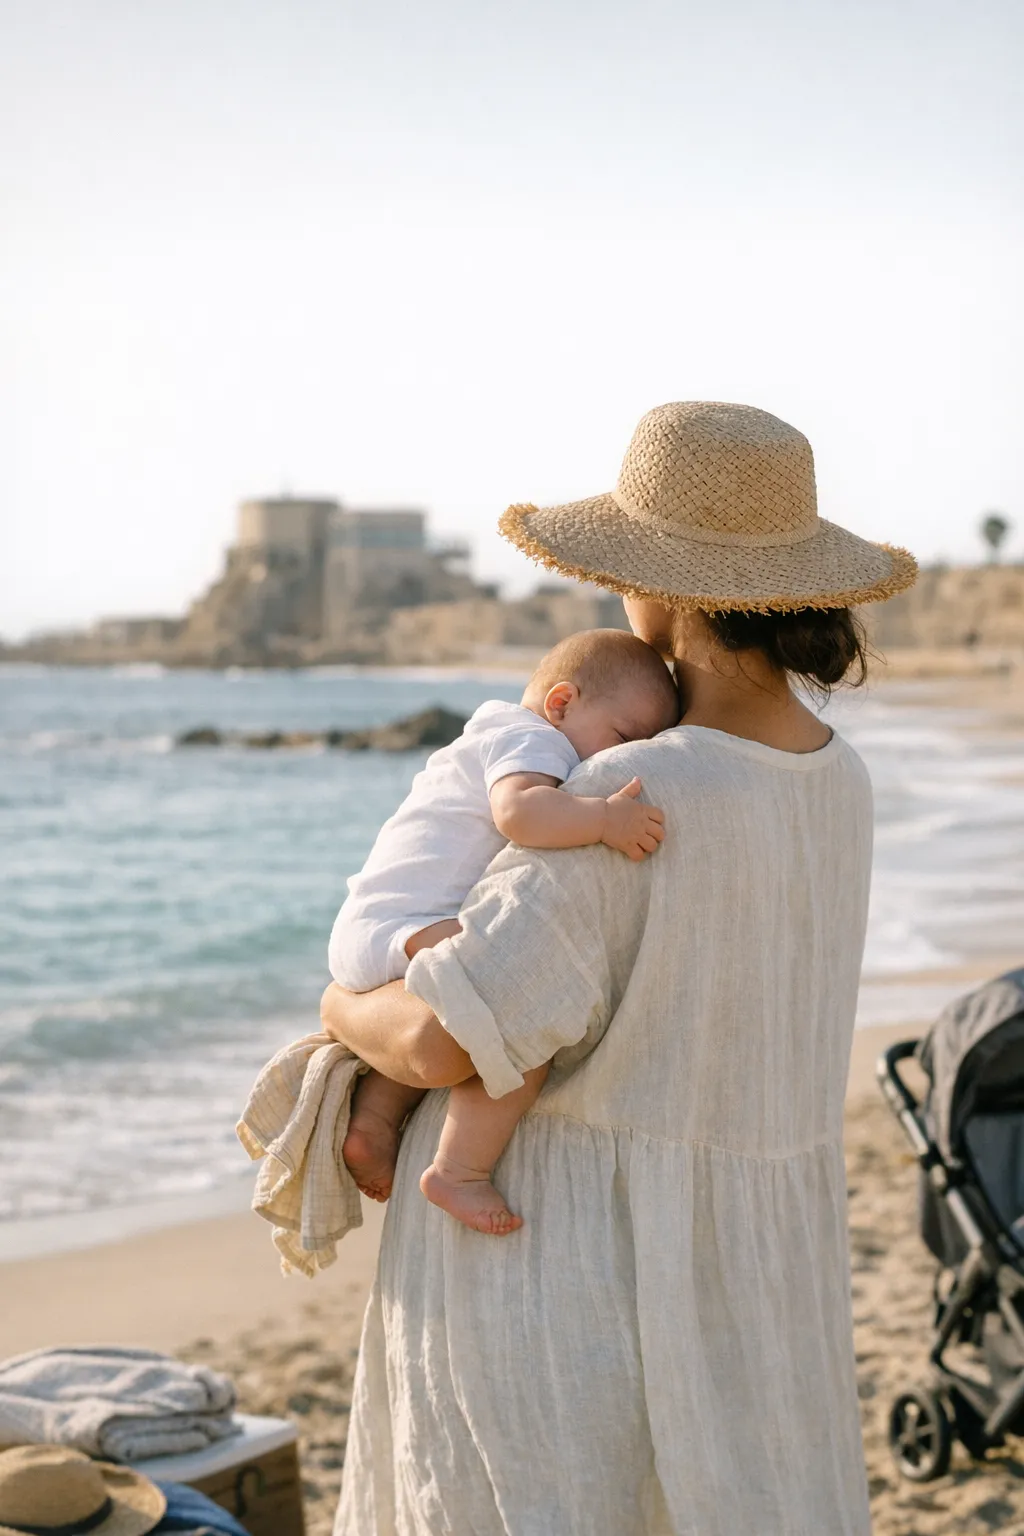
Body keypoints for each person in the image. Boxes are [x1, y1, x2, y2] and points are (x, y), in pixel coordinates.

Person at [321, 401, 918, 1535]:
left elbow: (449, 1036)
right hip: (753, 1288)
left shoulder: (634, 792)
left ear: (673, 595)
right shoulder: (839, 779)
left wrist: (337, 999)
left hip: (563, 1282)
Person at [329, 628, 679, 1234]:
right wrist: (603, 819)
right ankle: (459, 1170)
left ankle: (373, 1125)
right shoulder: (532, 740)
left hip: (373, 927)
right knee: (515, 1015)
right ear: (561, 702)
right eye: (623, 739)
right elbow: (519, 816)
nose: (616, 759)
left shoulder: (495, 734)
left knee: (464, 1000)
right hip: (404, 926)